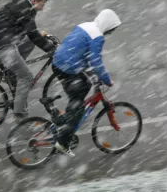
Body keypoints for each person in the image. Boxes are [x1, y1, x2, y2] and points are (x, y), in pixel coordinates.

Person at [51, 9, 121, 157]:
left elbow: (82, 52)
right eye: (111, 30)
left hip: (58, 63)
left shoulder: (85, 25)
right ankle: (63, 141)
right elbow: (95, 61)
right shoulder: (97, 36)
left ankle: (62, 120)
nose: (110, 33)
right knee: (78, 106)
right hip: (69, 68)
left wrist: (94, 75)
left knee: (84, 87)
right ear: (107, 25)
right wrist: (106, 80)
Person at [0, 0, 56, 122]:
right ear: (34, 0)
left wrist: (44, 36)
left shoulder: (21, 3)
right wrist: (51, 49)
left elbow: (29, 32)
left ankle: (12, 71)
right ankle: (20, 114)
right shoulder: (27, 10)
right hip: (3, 46)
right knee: (26, 76)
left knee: (31, 41)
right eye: (42, 5)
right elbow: (33, 34)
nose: (42, 9)